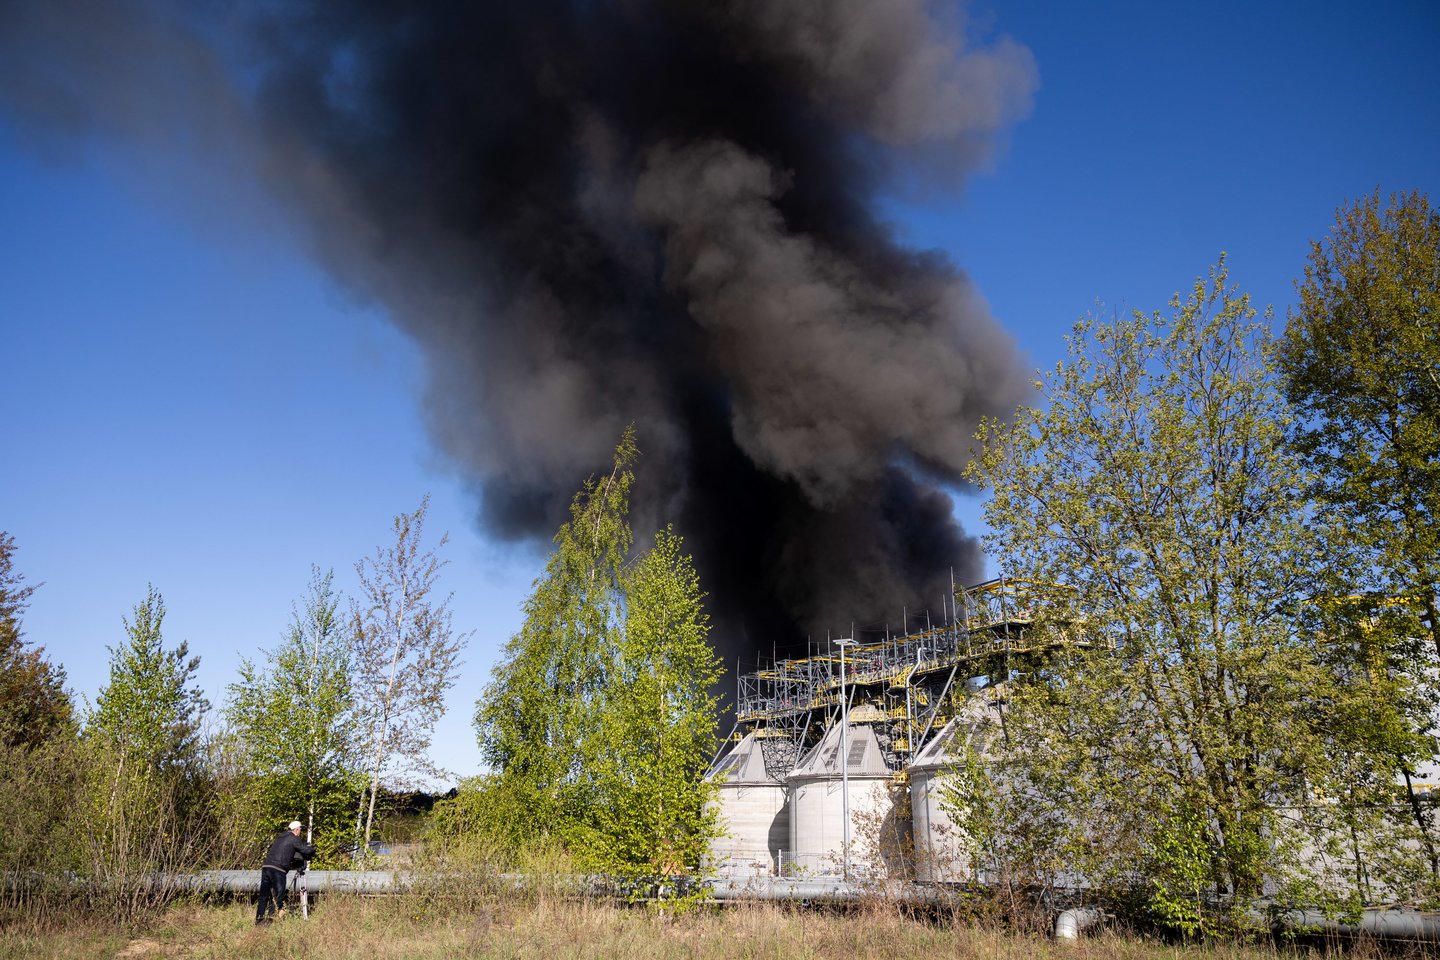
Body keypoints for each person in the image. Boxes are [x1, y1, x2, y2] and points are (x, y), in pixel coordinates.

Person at [256, 820, 316, 925]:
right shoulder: (294, 838)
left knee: (264, 895)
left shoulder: (280, 837)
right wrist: (313, 849)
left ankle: (259, 920)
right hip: (278, 869)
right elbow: (305, 850)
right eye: (300, 830)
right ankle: (270, 919)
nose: (300, 832)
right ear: (296, 830)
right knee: (279, 895)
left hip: (266, 867)